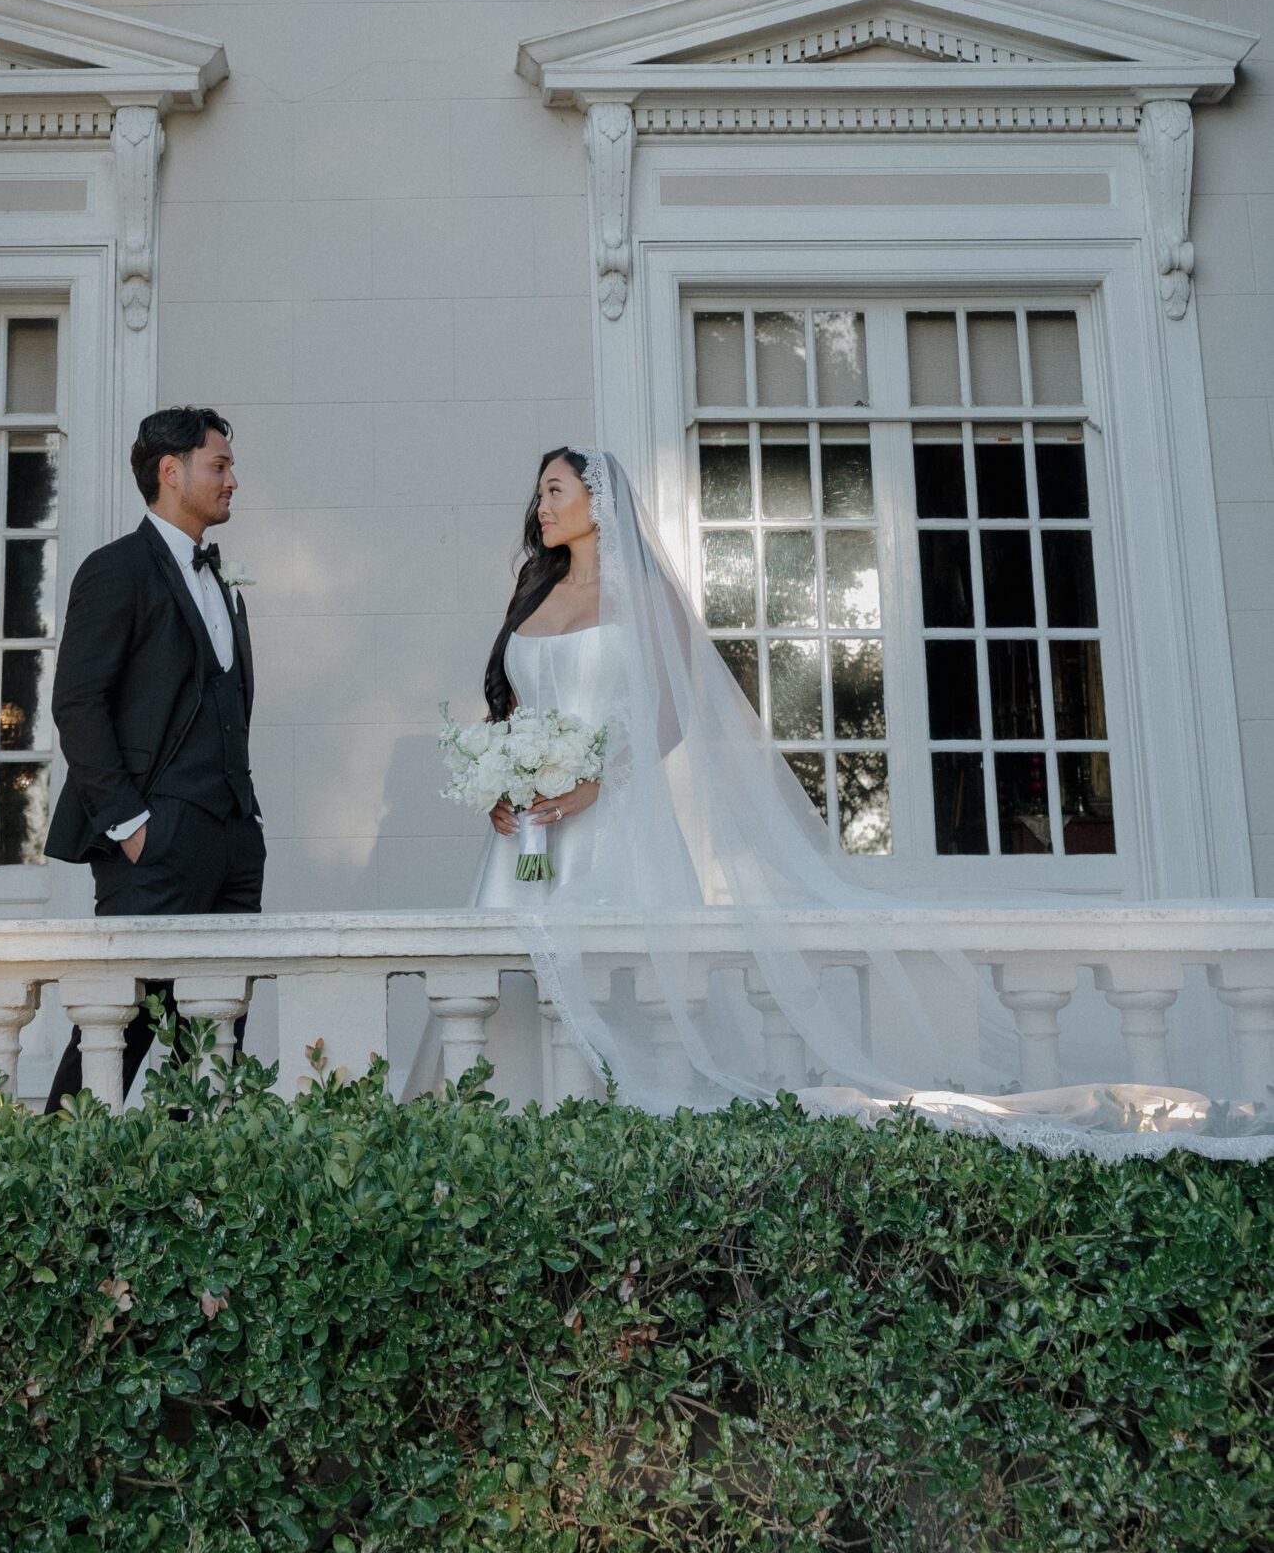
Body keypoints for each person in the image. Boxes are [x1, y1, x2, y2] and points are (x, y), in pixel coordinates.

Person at [460, 444, 1274, 1159]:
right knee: (515, 989)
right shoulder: (532, 593)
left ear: (601, 502)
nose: (543, 506)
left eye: (557, 490)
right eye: (541, 494)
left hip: (615, 829)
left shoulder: (645, 596)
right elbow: (512, 706)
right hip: (526, 838)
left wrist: (601, 781)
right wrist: (506, 783)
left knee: (628, 998)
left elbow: (676, 712)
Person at [44, 406, 260, 1108]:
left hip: (231, 842)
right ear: (172, 472)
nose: (233, 481)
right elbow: (77, 703)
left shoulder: (217, 576)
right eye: (219, 466)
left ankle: (197, 1204)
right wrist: (132, 826)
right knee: (116, 1036)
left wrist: (240, 829)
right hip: (156, 843)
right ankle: (56, 1199)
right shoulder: (116, 570)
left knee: (215, 1047)